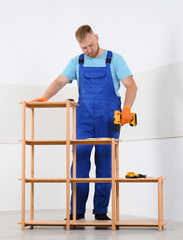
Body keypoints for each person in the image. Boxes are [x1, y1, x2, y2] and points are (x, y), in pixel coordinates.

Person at [31, 25, 137, 220]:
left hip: (108, 117)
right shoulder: (77, 62)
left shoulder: (115, 60)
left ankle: (101, 211)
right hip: (84, 117)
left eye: (91, 45)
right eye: (84, 48)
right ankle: (77, 211)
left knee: (105, 163)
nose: (89, 50)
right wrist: (44, 97)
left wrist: (127, 108)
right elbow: (60, 81)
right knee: (79, 160)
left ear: (97, 37)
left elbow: (131, 86)